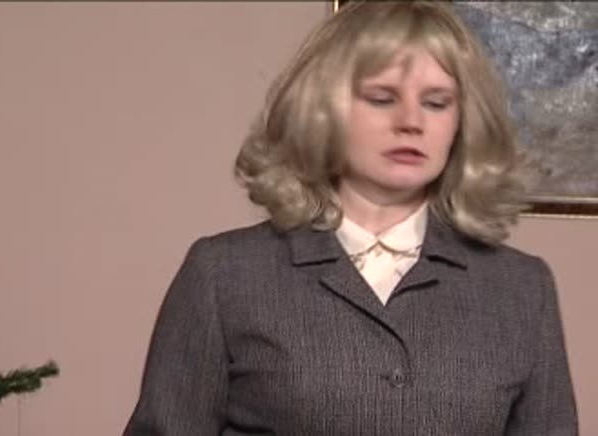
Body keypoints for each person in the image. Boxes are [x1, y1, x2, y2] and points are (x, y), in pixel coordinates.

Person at [124, 2, 578, 435]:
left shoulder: (522, 288)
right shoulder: (224, 274)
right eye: (381, 98)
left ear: (462, 124)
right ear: (321, 112)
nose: (411, 121)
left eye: (436, 103)